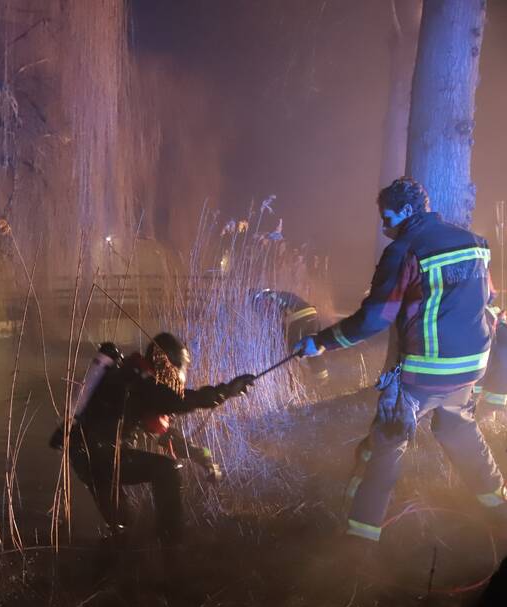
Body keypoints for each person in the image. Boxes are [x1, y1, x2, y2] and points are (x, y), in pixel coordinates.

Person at [296, 177, 507, 546]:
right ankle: (499, 512)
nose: (384, 226)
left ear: (407, 212)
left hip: (422, 376)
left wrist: (322, 343)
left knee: (383, 448)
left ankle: (358, 543)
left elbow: (375, 318)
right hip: (470, 368)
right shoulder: (474, 243)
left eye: (388, 216)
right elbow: (489, 301)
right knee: (458, 430)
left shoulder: (405, 251)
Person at [51, 332, 255, 546]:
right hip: (102, 458)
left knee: (125, 527)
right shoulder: (139, 382)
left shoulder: (133, 376)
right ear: (168, 363)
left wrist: (202, 457)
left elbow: (164, 435)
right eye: (180, 366)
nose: (181, 374)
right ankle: (172, 546)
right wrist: (226, 391)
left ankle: (118, 563)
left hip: (89, 458)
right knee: (167, 470)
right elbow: (179, 401)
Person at [253, 289, 329, 384]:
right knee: (290, 346)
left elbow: (285, 299)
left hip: (307, 315)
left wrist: (266, 295)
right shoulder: (307, 353)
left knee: (292, 346)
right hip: (304, 316)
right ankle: (321, 378)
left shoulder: (288, 304)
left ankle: (321, 377)